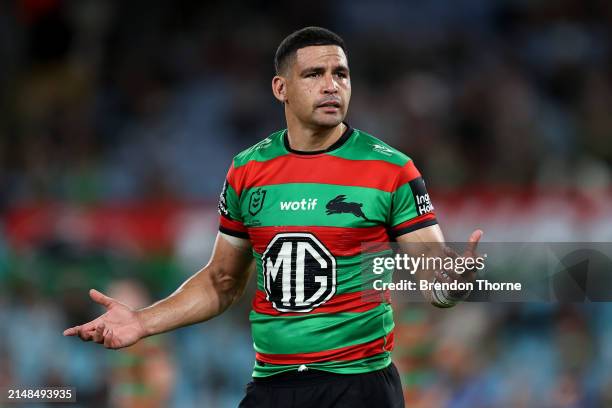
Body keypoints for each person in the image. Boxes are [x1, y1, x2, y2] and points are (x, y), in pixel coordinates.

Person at [64, 26, 482, 408]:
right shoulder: (248, 171)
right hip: (273, 385)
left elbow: (433, 270)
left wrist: (455, 281)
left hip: (360, 387)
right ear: (281, 87)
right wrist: (141, 321)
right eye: (314, 74)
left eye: (341, 73)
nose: (331, 85)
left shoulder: (390, 170)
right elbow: (221, 281)